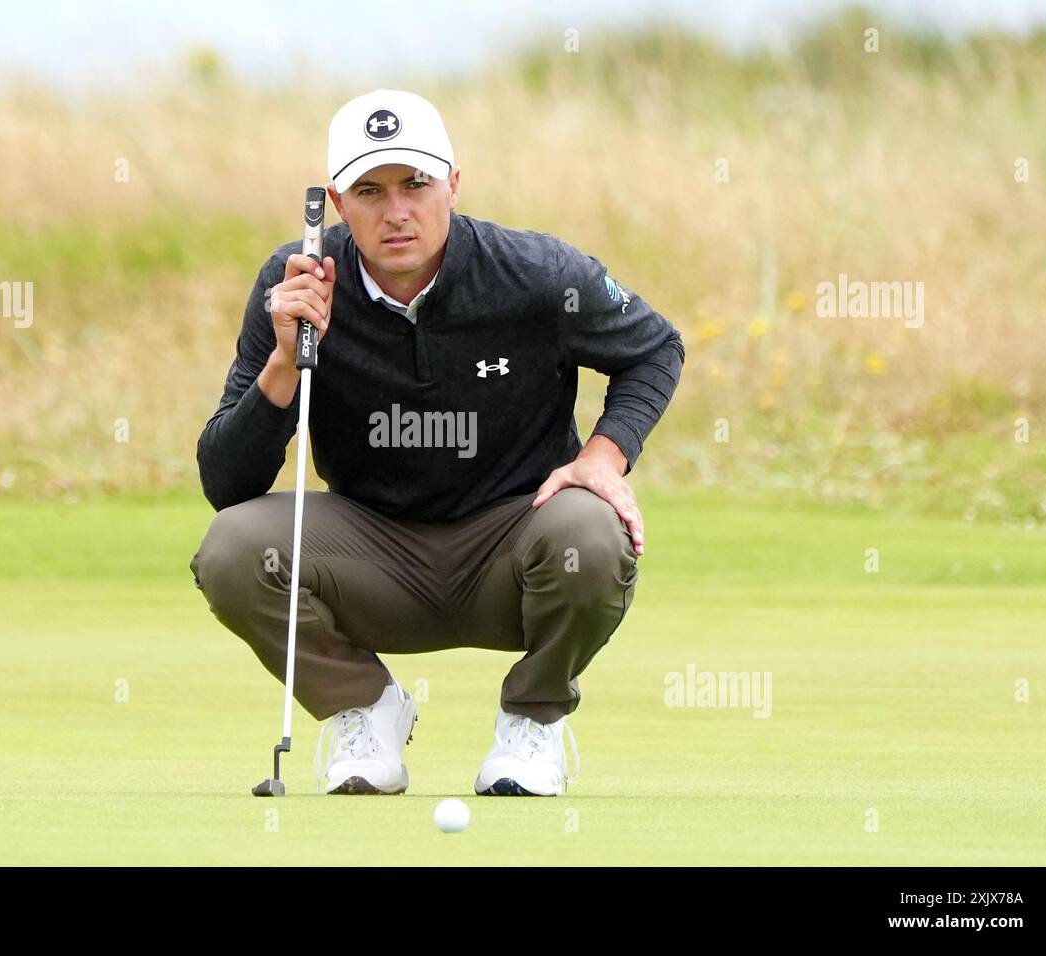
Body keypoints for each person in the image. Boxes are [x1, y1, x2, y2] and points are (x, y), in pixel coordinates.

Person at [191, 89, 684, 796]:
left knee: (592, 530)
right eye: (370, 190)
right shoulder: (293, 283)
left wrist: (603, 456)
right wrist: (282, 361)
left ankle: (532, 723)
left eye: (415, 185)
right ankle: (365, 711)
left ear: (453, 184)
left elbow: (656, 348)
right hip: (370, 553)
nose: (396, 212)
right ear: (336, 202)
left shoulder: (537, 274)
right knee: (235, 547)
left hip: (513, 545)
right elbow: (226, 486)